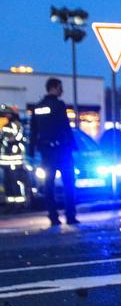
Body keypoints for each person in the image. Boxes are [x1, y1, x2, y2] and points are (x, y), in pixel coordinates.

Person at [28, 78, 78, 226]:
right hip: (61, 151)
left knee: (49, 186)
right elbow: (65, 128)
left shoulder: (37, 107)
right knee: (69, 184)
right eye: (60, 87)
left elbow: (33, 131)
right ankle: (70, 216)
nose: (62, 91)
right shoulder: (59, 105)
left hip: (46, 153)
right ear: (55, 87)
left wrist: (31, 151)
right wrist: (73, 147)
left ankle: (53, 217)